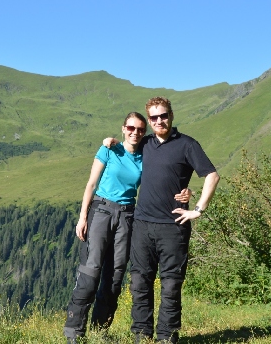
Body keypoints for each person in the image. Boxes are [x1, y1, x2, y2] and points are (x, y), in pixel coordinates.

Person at [63, 111, 190, 343]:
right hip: (101, 210)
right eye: (131, 128)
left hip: (128, 215)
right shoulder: (109, 150)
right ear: (123, 129)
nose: (135, 133)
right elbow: (91, 184)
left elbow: (167, 174)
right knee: (91, 271)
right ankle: (74, 332)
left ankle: (100, 331)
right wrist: (83, 218)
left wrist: (187, 191)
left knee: (115, 276)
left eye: (140, 130)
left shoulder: (145, 154)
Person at [105, 97, 220, 343]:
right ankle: (141, 335)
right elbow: (125, 147)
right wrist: (110, 142)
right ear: (149, 120)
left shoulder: (187, 145)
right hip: (142, 224)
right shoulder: (144, 143)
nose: (159, 121)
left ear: (171, 116)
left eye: (163, 115)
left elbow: (211, 175)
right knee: (139, 282)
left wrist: (198, 208)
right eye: (154, 117)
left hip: (174, 227)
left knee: (170, 285)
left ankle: (166, 337)